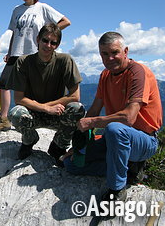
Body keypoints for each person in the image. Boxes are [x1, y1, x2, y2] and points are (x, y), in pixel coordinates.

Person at [64, 32, 162, 208]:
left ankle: (117, 190)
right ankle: (127, 171)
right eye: (104, 54)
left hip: (143, 140)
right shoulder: (105, 75)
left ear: (125, 51)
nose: (110, 58)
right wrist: (80, 144)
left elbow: (129, 117)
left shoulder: (138, 73)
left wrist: (92, 123)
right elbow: (94, 109)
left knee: (115, 129)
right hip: (115, 138)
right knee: (71, 164)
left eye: (114, 52)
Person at [0, 0, 71, 134]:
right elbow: (14, 32)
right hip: (16, 52)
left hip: (34, 52)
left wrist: (47, 35)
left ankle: (34, 118)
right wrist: (10, 51)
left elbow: (65, 22)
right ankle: (4, 119)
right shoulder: (16, 10)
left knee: (29, 87)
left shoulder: (43, 8)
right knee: (4, 83)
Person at [7, 23, 85, 163]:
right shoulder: (23, 62)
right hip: (33, 113)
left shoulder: (65, 60)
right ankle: (29, 139)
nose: (48, 45)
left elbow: (75, 96)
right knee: (15, 114)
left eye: (53, 42)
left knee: (77, 109)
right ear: (38, 39)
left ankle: (58, 146)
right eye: (45, 40)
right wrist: (45, 108)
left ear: (57, 44)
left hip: (57, 113)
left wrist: (51, 108)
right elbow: (18, 99)